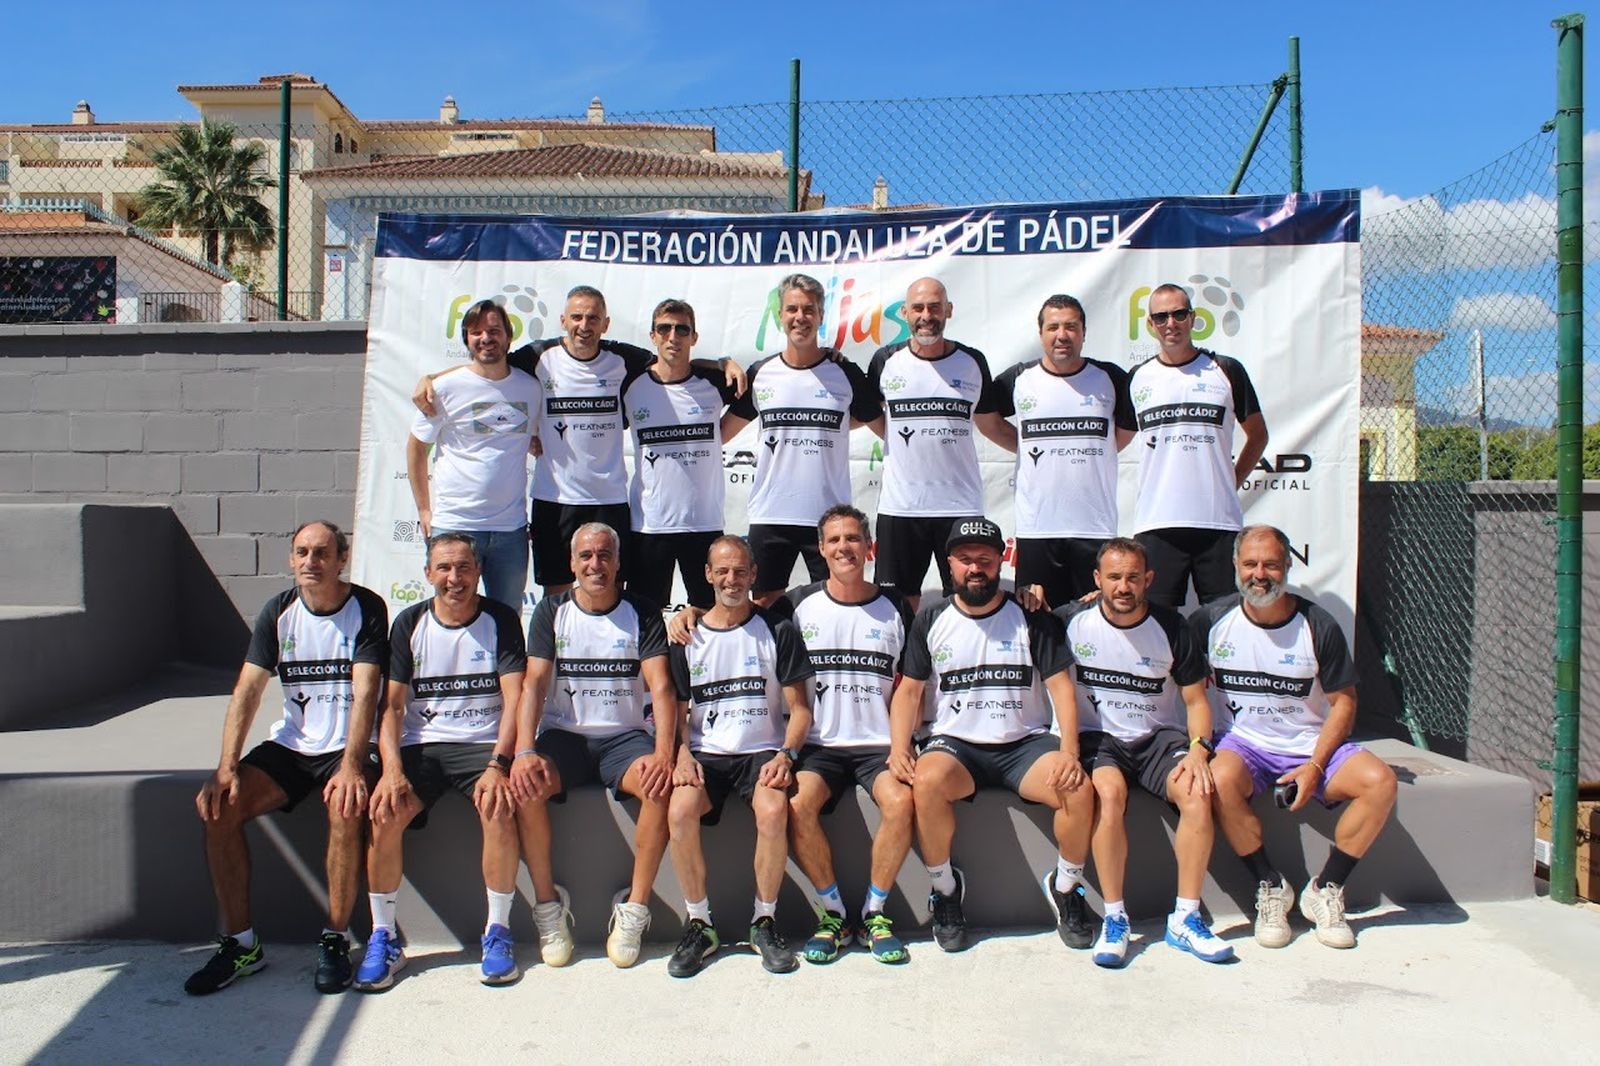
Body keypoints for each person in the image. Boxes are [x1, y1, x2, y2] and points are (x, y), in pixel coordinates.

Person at [414, 286, 745, 597]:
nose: (583, 325)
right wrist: (432, 378)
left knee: (612, 592)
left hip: (608, 499)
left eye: (592, 318)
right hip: (553, 499)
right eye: (576, 317)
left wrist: (722, 362)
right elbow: (486, 363)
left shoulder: (625, 361)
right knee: (556, 594)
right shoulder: (538, 357)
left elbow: (673, 361)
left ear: (605, 324)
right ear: (563, 321)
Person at [186, 521, 386, 996]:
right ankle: (241, 946)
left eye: (321, 553)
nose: (311, 562)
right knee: (221, 809)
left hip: (352, 747)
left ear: (342, 559)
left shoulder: (366, 607)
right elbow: (247, 691)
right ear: (292, 560)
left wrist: (354, 766)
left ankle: (335, 938)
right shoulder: (279, 611)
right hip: (295, 746)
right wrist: (225, 766)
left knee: (344, 805)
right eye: (302, 553)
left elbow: (365, 693)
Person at [887, 518, 1097, 953]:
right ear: (949, 565)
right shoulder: (931, 616)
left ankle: (1066, 887)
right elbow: (909, 690)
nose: (975, 568)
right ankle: (945, 892)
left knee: (1078, 790)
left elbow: (1061, 685)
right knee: (925, 783)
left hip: (1024, 745)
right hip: (958, 746)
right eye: (965, 560)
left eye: (985, 559)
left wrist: (1070, 751)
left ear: (1002, 560)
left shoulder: (1031, 614)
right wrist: (898, 747)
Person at [1195, 525, 1397, 949]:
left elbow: (1344, 703)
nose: (1259, 574)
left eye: (1271, 563)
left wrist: (1316, 766)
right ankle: (1270, 886)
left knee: (1380, 783)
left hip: (1310, 745)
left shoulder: (1317, 624)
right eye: (1250, 564)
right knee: (1219, 780)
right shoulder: (1210, 621)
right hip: (1244, 744)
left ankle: (1325, 890)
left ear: (1288, 565)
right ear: (1236, 567)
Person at [353, 533, 528, 990]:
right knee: (384, 813)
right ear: (428, 574)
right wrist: (391, 770)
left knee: (499, 808)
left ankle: (498, 931)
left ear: (477, 572)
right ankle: (384, 936)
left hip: (481, 746)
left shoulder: (501, 619)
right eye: (445, 568)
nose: (455, 578)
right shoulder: (410, 623)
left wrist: (498, 764)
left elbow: (515, 699)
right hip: (422, 748)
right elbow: (390, 708)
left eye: (465, 568)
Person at [510, 523, 678, 969]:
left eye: (604, 555)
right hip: (565, 738)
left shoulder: (641, 612)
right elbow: (534, 684)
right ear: (572, 563)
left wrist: (664, 753)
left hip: (623, 739)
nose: (595, 565)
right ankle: (548, 907)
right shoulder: (550, 611)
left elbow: (661, 688)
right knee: (525, 786)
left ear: (618, 562)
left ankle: (634, 908)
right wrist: (524, 750)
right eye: (585, 556)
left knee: (661, 788)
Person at [1056, 538, 1231, 967]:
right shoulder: (1070, 621)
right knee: (1109, 796)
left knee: (1197, 792)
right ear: (1096, 580)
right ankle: (1115, 919)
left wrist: (1198, 751)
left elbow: (1195, 703)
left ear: (1148, 580)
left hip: (1158, 740)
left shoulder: (1173, 626)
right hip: (1100, 740)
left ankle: (1185, 918)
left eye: (1133, 577)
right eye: (1113, 577)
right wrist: (1032, 594)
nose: (1123, 586)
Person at [664, 536, 814, 977]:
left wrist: (786, 754)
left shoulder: (777, 629)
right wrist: (680, 754)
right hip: (705, 755)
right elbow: (671, 712)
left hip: (760, 752)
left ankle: (763, 922)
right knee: (679, 811)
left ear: (753, 575)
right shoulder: (685, 635)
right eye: (722, 571)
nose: (732, 579)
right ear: (708, 575)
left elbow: (801, 711)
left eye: (740, 571)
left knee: (772, 810)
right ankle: (700, 925)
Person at [775, 505, 916, 964]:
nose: (843, 548)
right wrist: (689, 613)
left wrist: (902, 745)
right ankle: (833, 913)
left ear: (869, 547)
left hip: (878, 746)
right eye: (834, 540)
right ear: (820, 549)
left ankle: (874, 914)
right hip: (820, 746)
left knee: (901, 802)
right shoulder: (797, 604)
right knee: (796, 805)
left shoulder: (896, 605)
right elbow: (734, 616)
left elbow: (912, 684)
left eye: (853, 539)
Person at [722, 274, 881, 607]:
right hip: (771, 514)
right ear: (780, 315)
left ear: (821, 316)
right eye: (792, 309)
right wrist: (721, 363)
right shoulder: (759, 373)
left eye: (809, 310)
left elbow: (884, 427)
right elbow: (720, 434)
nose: (800, 317)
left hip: (828, 519)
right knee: (765, 610)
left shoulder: (846, 373)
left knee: (833, 608)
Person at [865, 277, 1011, 609]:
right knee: (897, 604)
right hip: (901, 507)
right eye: (918, 307)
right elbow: (869, 415)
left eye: (934, 307)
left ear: (948, 310)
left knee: (966, 600)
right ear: (904, 312)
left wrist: (1043, 453)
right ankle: (903, 664)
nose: (926, 315)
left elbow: (991, 424)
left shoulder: (972, 361)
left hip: (960, 507)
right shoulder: (884, 361)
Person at [1129, 283, 1269, 607]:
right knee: (1156, 627)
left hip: (1218, 522)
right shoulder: (1137, 377)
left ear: (1193, 318)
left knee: (1227, 621)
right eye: (1161, 317)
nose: (1171, 323)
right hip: (1157, 522)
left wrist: (1232, 480)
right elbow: (1112, 438)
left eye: (1179, 314)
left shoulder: (1226, 370)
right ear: (1150, 324)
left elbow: (1258, 435)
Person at [992, 294, 1136, 609]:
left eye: (1071, 327)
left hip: (1095, 528)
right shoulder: (1019, 378)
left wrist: (1095, 449)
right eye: (1053, 327)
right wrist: (1026, 445)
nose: (1062, 335)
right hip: (1037, 529)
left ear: (1083, 332)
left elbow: (1123, 432)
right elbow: (985, 418)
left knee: (1095, 620)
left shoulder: (1111, 377)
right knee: (1038, 622)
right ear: (1041, 333)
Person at [407, 298, 542, 609]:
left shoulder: (530, 388)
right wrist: (424, 511)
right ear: (467, 339)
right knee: (450, 615)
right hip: (455, 524)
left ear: (509, 336)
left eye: (494, 330)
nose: (485, 338)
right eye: (476, 332)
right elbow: (416, 446)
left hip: (510, 529)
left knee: (507, 617)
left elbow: (538, 439)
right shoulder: (443, 388)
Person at [620, 299, 740, 609]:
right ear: (653, 336)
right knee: (645, 618)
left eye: (681, 329)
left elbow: (755, 390)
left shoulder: (715, 382)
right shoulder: (630, 386)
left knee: (713, 616)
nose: (673, 336)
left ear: (694, 338)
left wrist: (726, 361)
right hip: (650, 525)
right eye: (664, 329)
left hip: (703, 524)